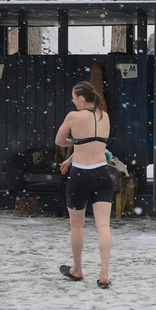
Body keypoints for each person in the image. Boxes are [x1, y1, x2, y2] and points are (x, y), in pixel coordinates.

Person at [56, 81, 114, 289]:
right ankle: (104, 273)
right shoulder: (104, 116)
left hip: (80, 175)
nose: (73, 101)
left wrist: (75, 141)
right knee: (104, 225)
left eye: (74, 98)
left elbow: (60, 140)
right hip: (102, 174)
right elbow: (96, 144)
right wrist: (75, 152)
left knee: (77, 226)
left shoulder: (74, 116)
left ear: (81, 98)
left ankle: (77, 269)